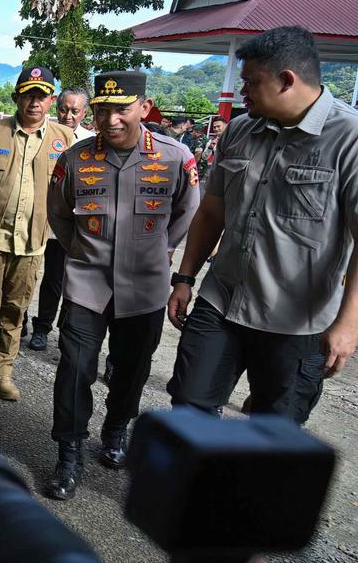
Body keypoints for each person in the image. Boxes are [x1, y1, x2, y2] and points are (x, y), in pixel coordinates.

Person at [167, 26, 358, 423]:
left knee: (275, 429)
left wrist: (348, 324)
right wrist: (184, 278)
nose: (243, 93)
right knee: (188, 406)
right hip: (222, 300)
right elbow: (212, 211)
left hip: (297, 320)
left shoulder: (349, 139)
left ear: (287, 80)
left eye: (252, 82)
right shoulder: (240, 131)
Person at [45, 71, 200, 500]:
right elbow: (58, 213)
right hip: (87, 284)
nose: (110, 120)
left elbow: (188, 210)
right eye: (102, 110)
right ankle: (68, 454)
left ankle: (116, 430)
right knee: (74, 369)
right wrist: (82, 250)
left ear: (144, 108)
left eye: (121, 109)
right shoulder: (75, 159)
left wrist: (162, 248)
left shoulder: (175, 157)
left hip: (145, 286)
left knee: (132, 369)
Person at [0, 66, 75, 403]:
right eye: (28, 95)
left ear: (51, 100)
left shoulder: (64, 139)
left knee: (14, 310)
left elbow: (66, 190)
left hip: (32, 243)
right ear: (16, 98)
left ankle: (2, 372)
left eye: (42, 96)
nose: (35, 102)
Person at [28, 87, 94, 352]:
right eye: (64, 109)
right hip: (37, 218)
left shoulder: (91, 142)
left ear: (84, 112)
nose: (68, 116)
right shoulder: (41, 133)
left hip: (68, 224)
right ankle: (21, 320)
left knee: (58, 279)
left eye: (75, 111)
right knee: (28, 274)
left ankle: (45, 329)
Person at [194, 116, 227, 186]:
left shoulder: (232, 139)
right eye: (214, 127)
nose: (216, 129)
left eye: (218, 126)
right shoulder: (211, 141)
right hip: (217, 172)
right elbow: (204, 157)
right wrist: (210, 147)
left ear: (226, 126)